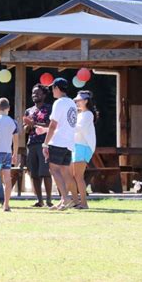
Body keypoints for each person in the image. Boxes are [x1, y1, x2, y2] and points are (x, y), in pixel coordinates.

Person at [42, 78, 79, 210]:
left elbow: (53, 125)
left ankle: (65, 198)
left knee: (54, 169)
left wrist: (45, 144)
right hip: (69, 142)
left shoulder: (59, 103)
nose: (52, 91)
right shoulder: (72, 103)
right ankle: (68, 200)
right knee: (66, 173)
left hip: (58, 141)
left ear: (57, 88)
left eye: (53, 88)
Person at [23, 84, 54, 207]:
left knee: (45, 172)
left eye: (38, 93)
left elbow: (50, 126)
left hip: (45, 143)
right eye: (33, 93)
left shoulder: (49, 108)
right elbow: (25, 129)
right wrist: (28, 126)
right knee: (34, 173)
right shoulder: (29, 111)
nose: (35, 95)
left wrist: (34, 123)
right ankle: (39, 200)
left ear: (44, 95)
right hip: (31, 144)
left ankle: (49, 200)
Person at [72, 91, 97, 209]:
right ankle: (77, 201)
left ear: (86, 101)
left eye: (79, 100)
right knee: (73, 175)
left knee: (78, 176)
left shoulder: (88, 114)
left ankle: (83, 203)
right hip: (77, 146)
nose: (77, 102)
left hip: (83, 146)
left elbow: (78, 128)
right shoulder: (80, 114)